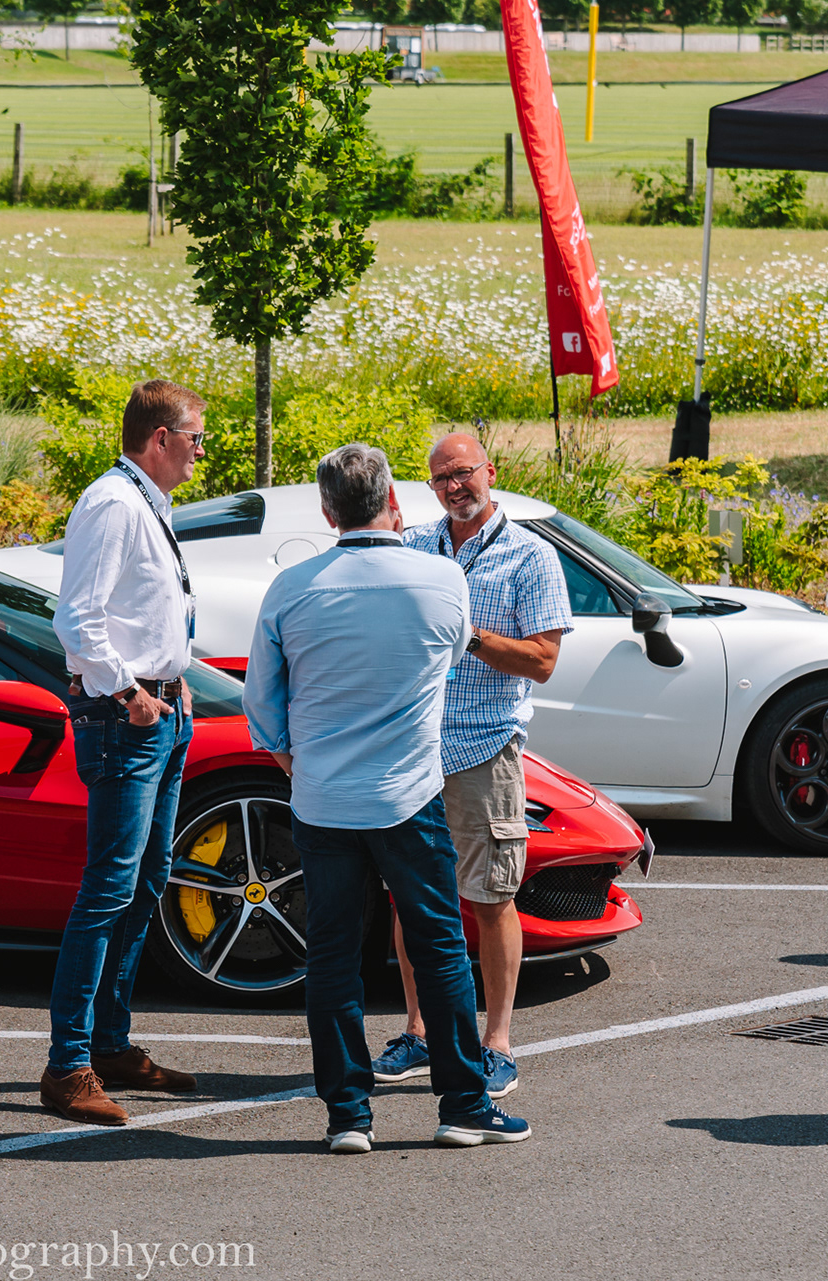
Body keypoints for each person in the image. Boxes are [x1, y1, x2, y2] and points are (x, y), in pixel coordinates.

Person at [244, 442, 529, 1152]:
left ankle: (348, 1115)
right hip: (409, 792)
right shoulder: (441, 579)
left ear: (327, 511)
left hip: (323, 798)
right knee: (440, 948)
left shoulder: (291, 588)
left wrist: (299, 765)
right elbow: (452, 656)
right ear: (393, 502)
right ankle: (463, 1103)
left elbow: (262, 707)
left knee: (332, 957)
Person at [373, 433, 573, 1100]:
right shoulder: (414, 546)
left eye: (463, 473)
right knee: (409, 896)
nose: (455, 487)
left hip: (484, 748)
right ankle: (419, 1031)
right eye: (442, 478)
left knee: (491, 898)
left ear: (491, 471)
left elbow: (543, 660)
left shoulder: (530, 555)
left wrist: (470, 635)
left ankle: (497, 1043)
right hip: (412, 748)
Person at [42, 378, 207, 1126]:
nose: (201, 452)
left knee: (145, 883)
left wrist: (173, 680)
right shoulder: (113, 503)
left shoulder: (147, 500)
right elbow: (76, 619)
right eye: (195, 438)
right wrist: (130, 692)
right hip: (126, 716)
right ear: (160, 438)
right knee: (109, 888)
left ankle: (109, 1045)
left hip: (160, 708)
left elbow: (145, 608)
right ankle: (68, 1065)